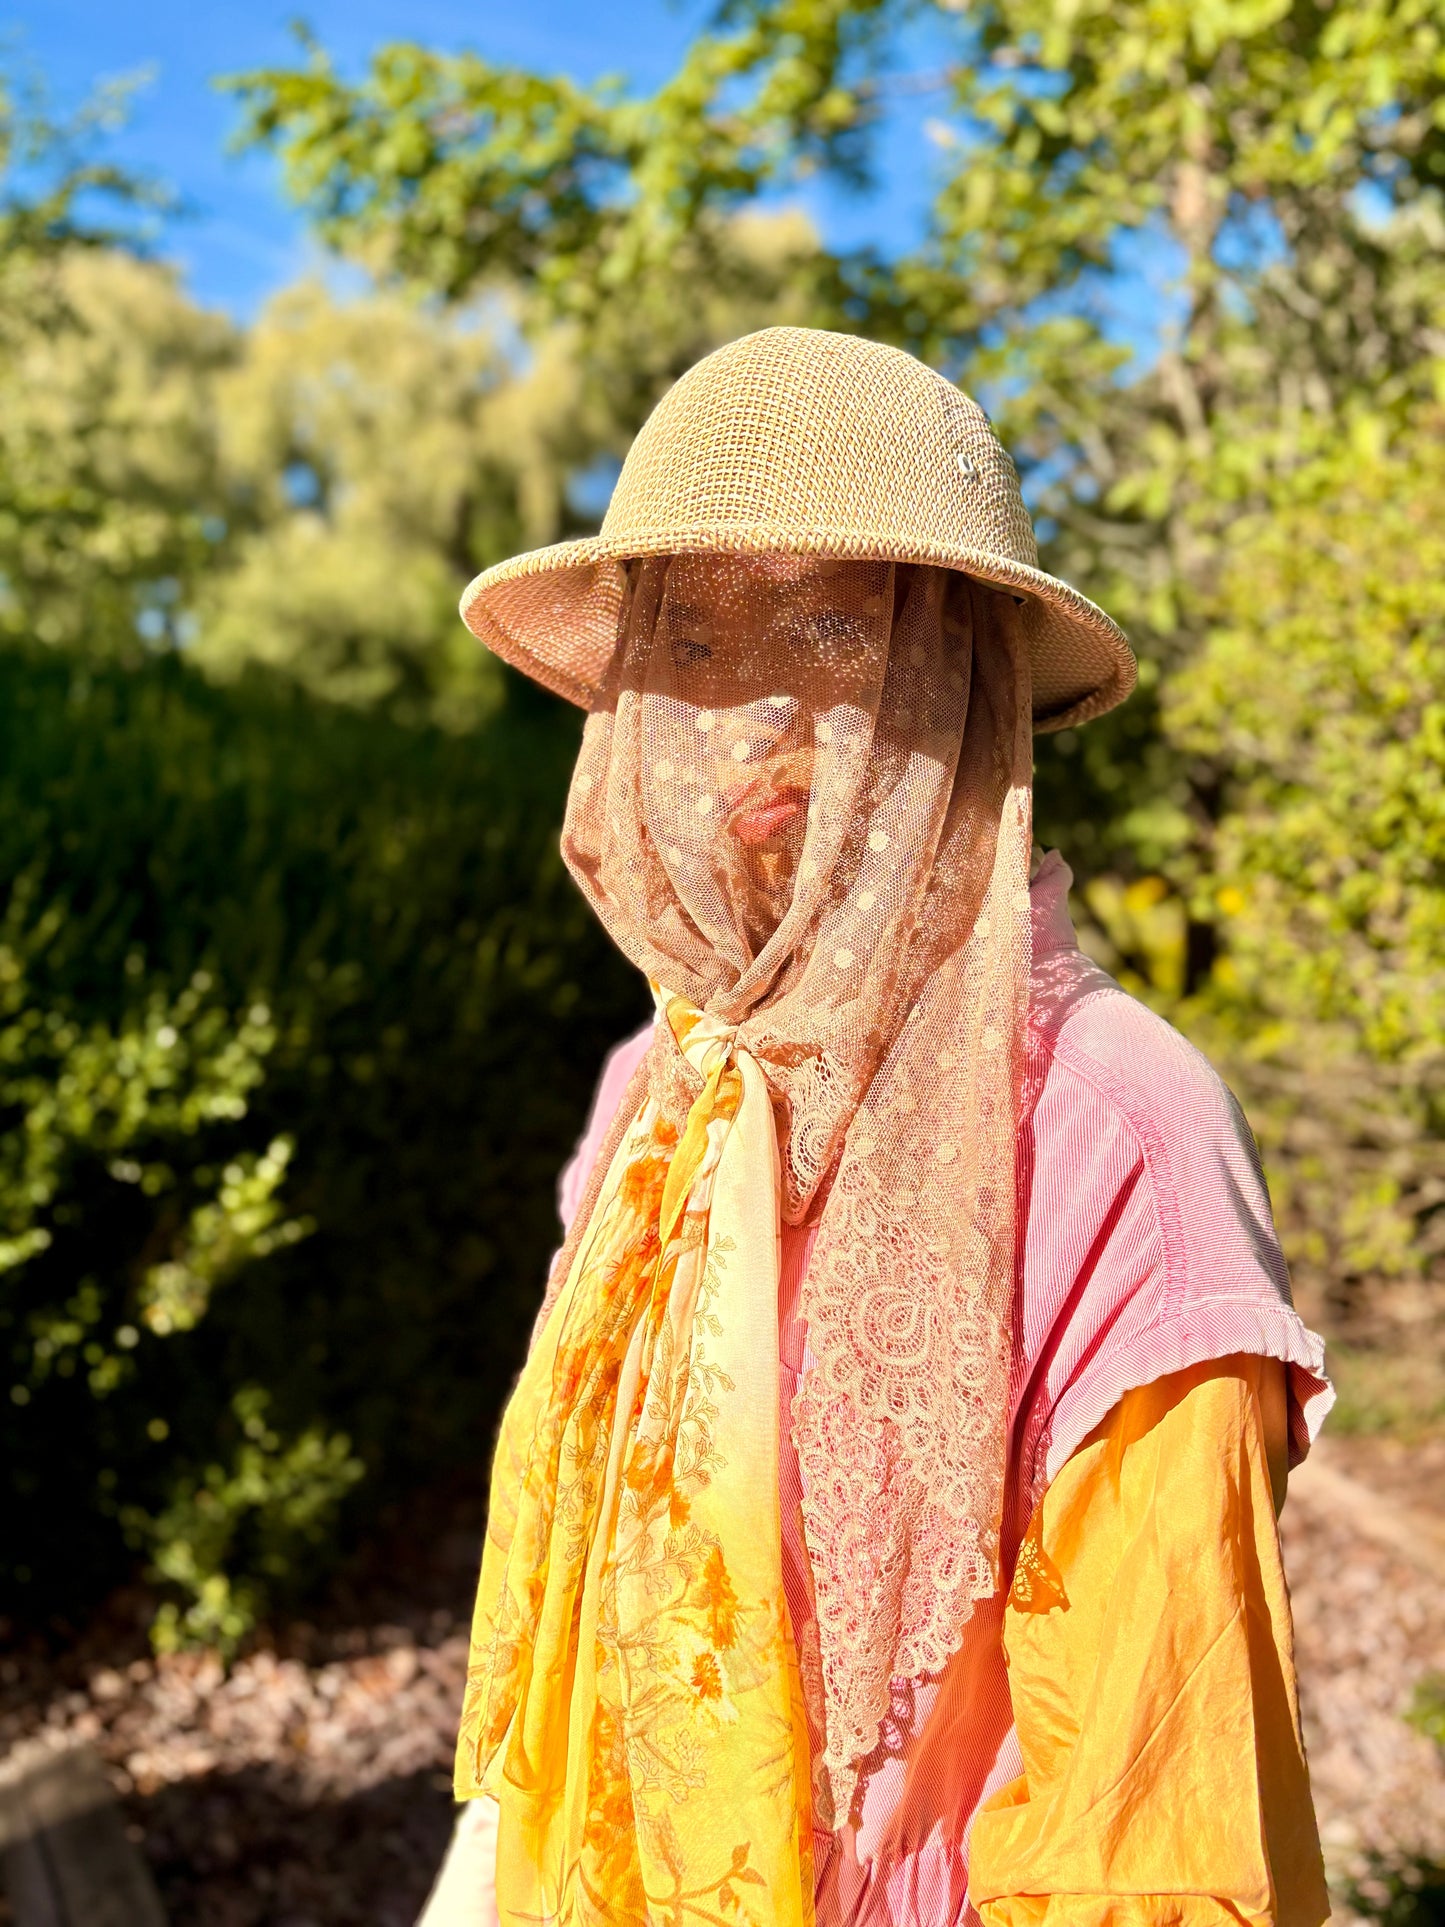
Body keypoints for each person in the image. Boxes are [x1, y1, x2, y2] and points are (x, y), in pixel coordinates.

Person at [418, 327, 1332, 1927]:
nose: (761, 716)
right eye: (697, 643)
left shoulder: (1120, 1129)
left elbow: (1153, 1831)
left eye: (837, 633)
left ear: (961, 686)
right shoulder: (663, 1085)